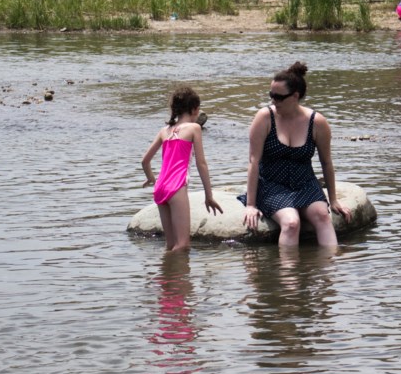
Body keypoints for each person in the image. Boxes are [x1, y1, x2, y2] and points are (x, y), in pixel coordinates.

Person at [239, 62, 352, 248]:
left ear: (295, 96)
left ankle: (332, 273)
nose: (273, 101)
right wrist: (250, 205)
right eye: (271, 95)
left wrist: (333, 199)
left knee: (323, 216)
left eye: (278, 97)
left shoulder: (317, 122)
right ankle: (290, 276)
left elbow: (326, 162)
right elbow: (253, 161)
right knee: (291, 223)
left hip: (304, 183)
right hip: (271, 184)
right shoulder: (265, 117)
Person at [142, 86, 222, 252]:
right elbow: (201, 163)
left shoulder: (164, 131)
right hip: (176, 187)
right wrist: (209, 195)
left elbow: (145, 161)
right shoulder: (194, 128)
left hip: (160, 188)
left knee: (171, 245)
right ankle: (179, 278)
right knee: (183, 245)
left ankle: (165, 276)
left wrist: (151, 178)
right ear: (194, 109)